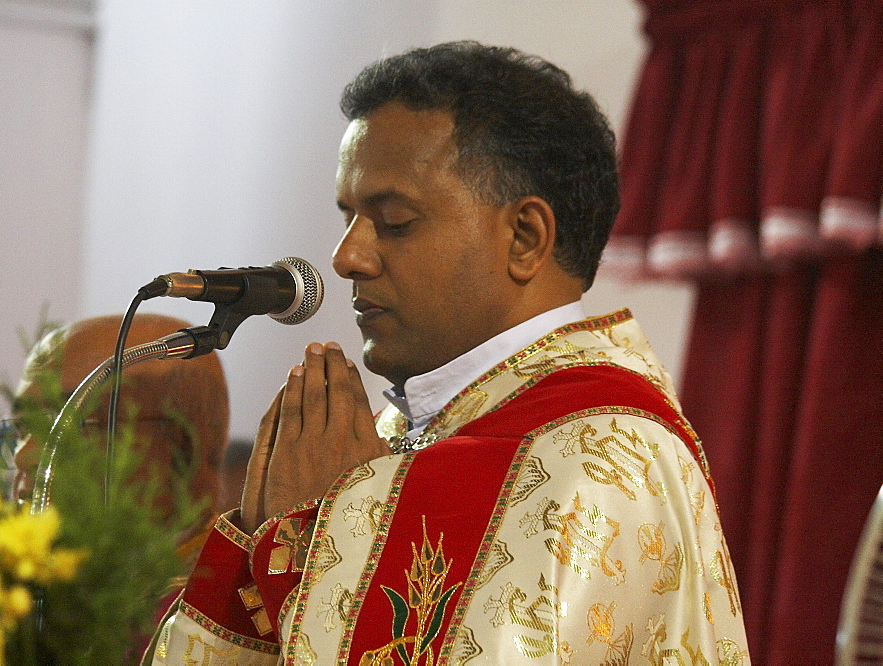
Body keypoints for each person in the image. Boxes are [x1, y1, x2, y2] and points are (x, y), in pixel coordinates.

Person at [148, 42, 749, 663]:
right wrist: (270, 538)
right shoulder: (390, 432)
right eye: (348, 217)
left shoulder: (599, 460)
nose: (346, 257)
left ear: (525, 238)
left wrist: (321, 532)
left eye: (396, 222)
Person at [6, 313, 231, 560]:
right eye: (23, 428)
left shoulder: (231, 593)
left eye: (71, 426)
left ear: (182, 451)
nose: (24, 456)